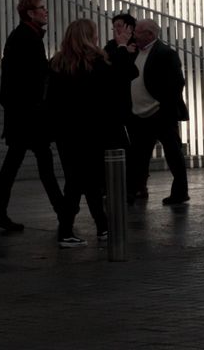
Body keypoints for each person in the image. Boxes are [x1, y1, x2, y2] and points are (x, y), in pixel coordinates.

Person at [47, 19, 136, 247]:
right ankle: (67, 231)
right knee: (81, 182)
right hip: (94, 131)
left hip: (68, 134)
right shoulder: (96, 63)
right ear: (89, 37)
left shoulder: (57, 64)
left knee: (83, 181)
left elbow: (52, 102)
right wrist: (122, 46)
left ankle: (102, 226)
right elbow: (125, 74)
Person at [0, 0, 64, 232]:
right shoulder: (27, 38)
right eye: (42, 8)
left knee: (17, 164)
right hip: (29, 116)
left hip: (22, 115)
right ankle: (63, 211)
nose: (46, 12)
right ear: (30, 13)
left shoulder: (24, 36)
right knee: (43, 165)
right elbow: (32, 77)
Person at [127, 18, 190, 206]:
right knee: (139, 155)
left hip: (160, 114)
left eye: (137, 32)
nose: (134, 35)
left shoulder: (166, 53)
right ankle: (136, 189)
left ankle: (180, 192)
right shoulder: (135, 51)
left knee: (173, 153)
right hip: (139, 113)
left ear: (150, 35)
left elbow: (177, 83)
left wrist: (162, 107)